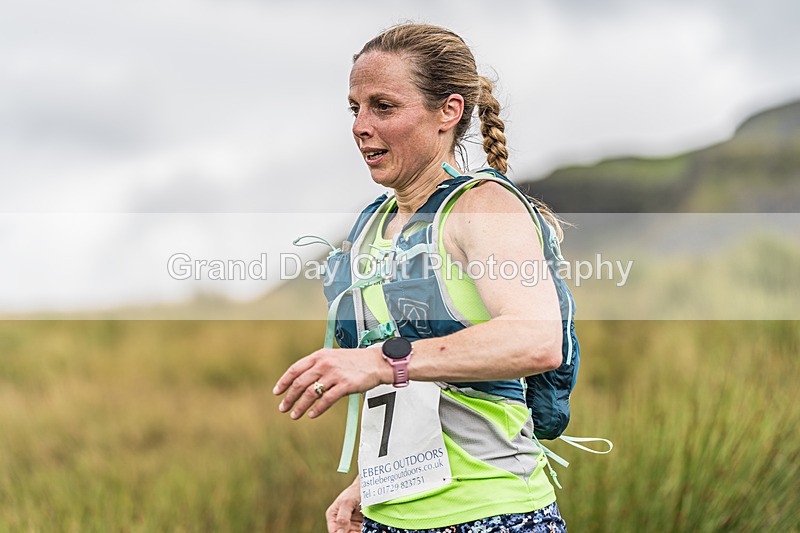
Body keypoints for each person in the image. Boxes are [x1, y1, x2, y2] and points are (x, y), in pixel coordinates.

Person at [274, 23, 569, 533]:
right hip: (390, 515)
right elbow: (417, 390)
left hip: (493, 513)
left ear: (448, 111)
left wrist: (377, 362)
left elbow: (537, 340)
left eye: (383, 107)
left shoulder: (483, 207)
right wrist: (374, 482)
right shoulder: (372, 225)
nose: (360, 126)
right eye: (355, 108)